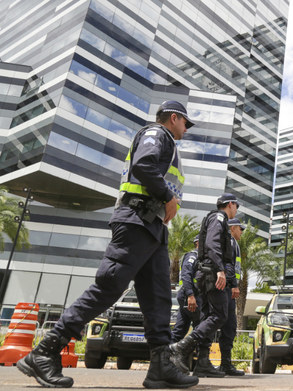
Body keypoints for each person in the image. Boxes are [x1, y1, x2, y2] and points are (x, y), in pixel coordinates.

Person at [17, 101, 198, 389]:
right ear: (174, 118)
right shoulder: (156, 134)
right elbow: (143, 164)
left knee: (159, 297)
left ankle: (161, 366)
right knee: (110, 285)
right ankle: (45, 351)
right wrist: (167, 196)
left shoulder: (167, 143)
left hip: (152, 227)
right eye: (186, 124)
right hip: (136, 219)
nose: (186, 130)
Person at [169, 193, 239, 378]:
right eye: (236, 206)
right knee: (219, 315)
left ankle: (202, 363)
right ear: (230, 204)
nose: (236, 210)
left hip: (206, 274)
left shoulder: (215, 218)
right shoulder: (218, 217)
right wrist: (220, 270)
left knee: (208, 317)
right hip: (212, 275)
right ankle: (181, 347)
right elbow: (212, 243)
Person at [217, 217, 245, 376]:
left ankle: (225, 364)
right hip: (226, 288)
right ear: (233, 227)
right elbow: (229, 266)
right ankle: (204, 361)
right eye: (240, 228)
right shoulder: (230, 242)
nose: (241, 232)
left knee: (228, 326)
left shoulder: (233, 243)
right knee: (223, 324)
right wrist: (233, 284)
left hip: (227, 288)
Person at [171, 237, 202, 344]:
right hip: (190, 296)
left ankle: (167, 357)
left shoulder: (202, 257)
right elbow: (186, 275)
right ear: (198, 243)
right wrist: (190, 295)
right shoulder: (193, 256)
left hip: (189, 296)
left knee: (180, 330)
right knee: (201, 328)